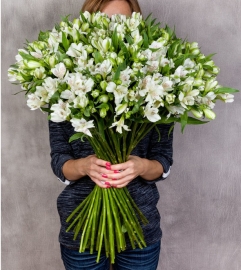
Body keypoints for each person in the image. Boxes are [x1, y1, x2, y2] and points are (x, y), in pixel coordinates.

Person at [49, 1, 174, 269]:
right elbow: (59, 162)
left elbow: (163, 163)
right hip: (80, 231)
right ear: (88, 23)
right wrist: (84, 166)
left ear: (137, 25)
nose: (114, 32)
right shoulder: (64, 85)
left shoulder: (158, 83)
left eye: (123, 22)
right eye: (105, 22)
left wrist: (141, 166)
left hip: (141, 229)